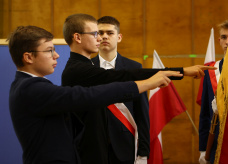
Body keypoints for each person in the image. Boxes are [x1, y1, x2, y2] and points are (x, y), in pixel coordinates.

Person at [8, 25, 181, 164]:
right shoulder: (31, 88)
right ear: (28, 57)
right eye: (49, 50)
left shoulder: (29, 85)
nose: (57, 55)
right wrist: (148, 83)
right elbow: (88, 96)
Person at [61, 13, 215, 164]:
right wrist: (179, 72)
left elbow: (134, 94)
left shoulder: (83, 66)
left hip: (116, 147)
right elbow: (121, 77)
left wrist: (143, 150)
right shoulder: (78, 69)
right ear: (78, 37)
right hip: (88, 151)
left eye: (106, 33)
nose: (100, 38)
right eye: (95, 33)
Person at [91, 16, 149, 164]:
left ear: (119, 37)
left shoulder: (134, 68)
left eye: (110, 33)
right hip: (92, 145)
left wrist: (143, 152)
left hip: (125, 145)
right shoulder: (85, 68)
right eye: (100, 33)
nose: (104, 36)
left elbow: (142, 112)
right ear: (95, 37)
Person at [198, 19, 228, 164]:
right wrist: (202, 148)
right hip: (216, 141)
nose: (227, 41)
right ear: (219, 40)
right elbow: (205, 113)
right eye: (224, 37)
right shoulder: (211, 71)